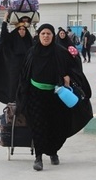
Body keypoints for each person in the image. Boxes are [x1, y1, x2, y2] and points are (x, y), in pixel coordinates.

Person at [15, 24, 92, 171]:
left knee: (55, 125)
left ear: (53, 36)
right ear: (38, 35)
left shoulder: (60, 52)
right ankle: (38, 157)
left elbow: (74, 66)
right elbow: (24, 73)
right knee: (38, 125)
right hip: (35, 95)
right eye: (43, 33)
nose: (45, 36)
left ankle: (53, 151)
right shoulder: (32, 52)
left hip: (56, 95)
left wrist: (68, 75)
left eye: (49, 33)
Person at [0, 16, 33, 105]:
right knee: (13, 93)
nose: (22, 31)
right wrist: (4, 21)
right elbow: (4, 36)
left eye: (24, 29)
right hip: (13, 73)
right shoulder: (11, 41)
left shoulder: (29, 42)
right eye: (20, 29)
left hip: (26, 73)